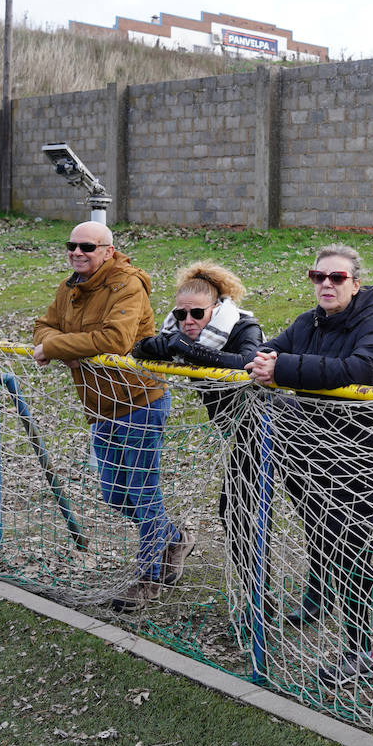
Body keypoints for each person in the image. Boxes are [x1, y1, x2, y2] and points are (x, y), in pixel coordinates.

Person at [245, 244, 373, 685]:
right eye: (317, 276)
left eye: (336, 278)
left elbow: (364, 367)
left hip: (365, 459)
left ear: (355, 283)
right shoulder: (307, 323)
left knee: (349, 553)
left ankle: (363, 646)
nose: (325, 284)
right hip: (315, 456)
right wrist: (259, 359)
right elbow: (269, 350)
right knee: (335, 552)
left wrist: (283, 369)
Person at [32, 221, 195, 613]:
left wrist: (56, 348)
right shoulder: (71, 286)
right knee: (115, 494)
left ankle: (148, 580)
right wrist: (57, 345)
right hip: (100, 405)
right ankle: (174, 537)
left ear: (107, 250)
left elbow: (115, 341)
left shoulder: (127, 284)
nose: (78, 252)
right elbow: (42, 326)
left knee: (141, 492)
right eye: (72, 245)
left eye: (87, 246)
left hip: (140, 400)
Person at [131, 261, 266, 616]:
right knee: (235, 513)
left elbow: (247, 362)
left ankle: (309, 592)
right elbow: (142, 347)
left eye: (197, 313)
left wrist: (188, 350)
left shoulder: (243, 326)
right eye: (181, 313)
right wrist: (170, 343)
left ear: (217, 307)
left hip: (279, 429)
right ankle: (258, 596)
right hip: (241, 435)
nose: (188, 320)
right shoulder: (180, 331)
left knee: (309, 517)